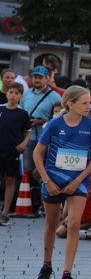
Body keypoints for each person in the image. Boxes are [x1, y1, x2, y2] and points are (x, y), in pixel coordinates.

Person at [32, 86, 91, 279]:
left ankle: (67, 274)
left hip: (78, 181)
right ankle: (46, 265)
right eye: (84, 102)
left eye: (90, 102)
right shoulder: (54, 125)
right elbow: (37, 154)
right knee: (51, 223)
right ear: (70, 104)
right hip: (53, 179)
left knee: (73, 225)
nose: (89, 106)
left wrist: (78, 180)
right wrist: (46, 181)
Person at [21, 66, 62, 182]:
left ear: (46, 79)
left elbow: (58, 117)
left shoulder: (54, 96)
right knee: (26, 168)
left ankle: (37, 195)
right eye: (35, 77)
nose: (37, 80)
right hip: (28, 136)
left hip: (44, 138)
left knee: (40, 169)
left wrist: (42, 121)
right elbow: (22, 112)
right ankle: (25, 194)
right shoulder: (27, 94)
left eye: (40, 77)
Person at [0, 82, 30, 225]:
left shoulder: (22, 114)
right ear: (7, 93)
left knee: (10, 180)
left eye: (16, 93)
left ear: (21, 96)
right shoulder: (0, 109)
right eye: (11, 92)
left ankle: (5, 212)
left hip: (13, 151)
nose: (13, 95)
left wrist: (24, 143)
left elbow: (28, 131)